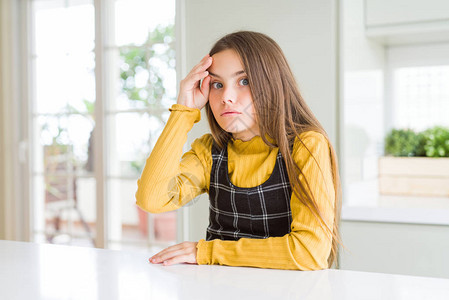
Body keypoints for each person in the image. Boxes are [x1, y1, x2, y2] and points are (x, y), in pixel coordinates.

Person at [135, 31, 341, 270]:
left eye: (244, 81)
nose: (226, 97)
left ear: (273, 84)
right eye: (217, 85)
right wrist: (183, 111)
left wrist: (206, 251)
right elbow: (151, 199)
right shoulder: (208, 151)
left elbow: (309, 252)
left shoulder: (307, 146)